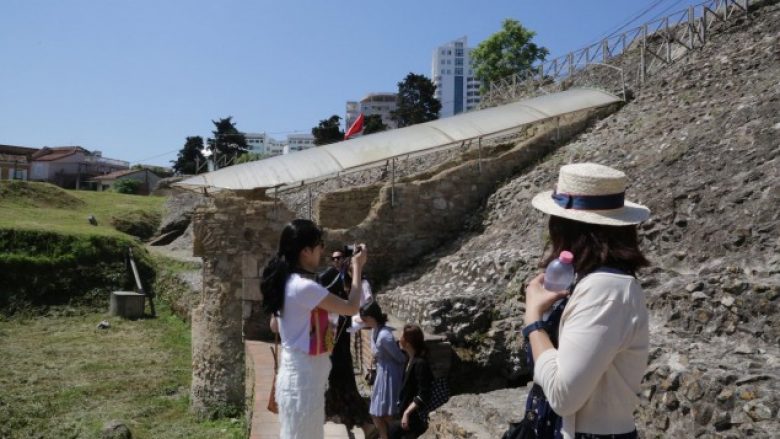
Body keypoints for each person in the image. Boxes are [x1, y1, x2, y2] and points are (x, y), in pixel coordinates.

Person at [523, 163, 650, 439]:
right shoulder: (591, 281)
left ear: (564, 227)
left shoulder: (606, 290)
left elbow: (563, 395)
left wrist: (533, 321)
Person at [260, 219, 367, 439]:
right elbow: (352, 307)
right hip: (304, 385)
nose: (322, 250)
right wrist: (357, 268)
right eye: (320, 245)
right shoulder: (304, 287)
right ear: (306, 251)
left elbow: (274, 325)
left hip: (295, 379)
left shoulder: (286, 282)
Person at [318, 267, 377, 438]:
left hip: (337, 363)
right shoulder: (340, 309)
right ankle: (366, 427)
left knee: (344, 397)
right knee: (339, 398)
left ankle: (367, 427)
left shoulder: (334, 313)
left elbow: (328, 341)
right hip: (339, 361)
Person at [360, 300, 406, 439]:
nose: (363, 322)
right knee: (377, 411)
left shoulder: (385, 336)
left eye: (365, 319)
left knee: (385, 412)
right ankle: (384, 436)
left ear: (372, 317)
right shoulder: (375, 331)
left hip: (390, 374)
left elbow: (400, 358)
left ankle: (389, 435)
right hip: (382, 372)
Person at [388, 324, 433, 439]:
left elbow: (424, 394)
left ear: (407, 343)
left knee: (392, 430)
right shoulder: (409, 359)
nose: (399, 339)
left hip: (416, 415)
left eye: (401, 337)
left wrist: (407, 413)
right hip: (403, 410)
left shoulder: (420, 364)